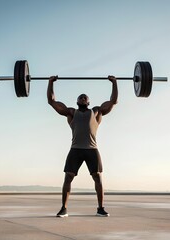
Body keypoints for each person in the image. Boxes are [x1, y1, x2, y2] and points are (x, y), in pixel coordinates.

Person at [47, 75, 118, 217]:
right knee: (68, 177)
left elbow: (113, 101)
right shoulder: (72, 113)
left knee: (98, 178)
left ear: (89, 102)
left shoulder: (96, 111)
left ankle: (100, 208)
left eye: (85, 97)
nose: (83, 98)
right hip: (75, 150)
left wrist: (114, 83)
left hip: (92, 150)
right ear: (77, 101)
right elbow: (52, 101)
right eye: (81, 97)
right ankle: (64, 208)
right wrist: (50, 82)